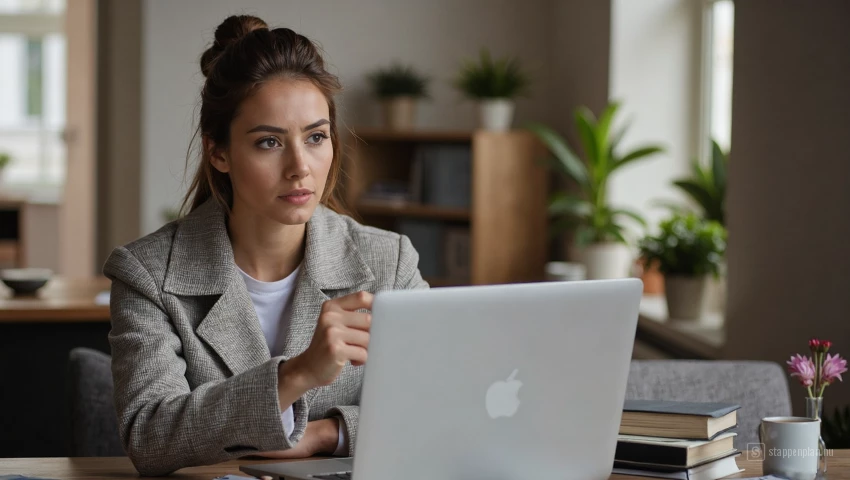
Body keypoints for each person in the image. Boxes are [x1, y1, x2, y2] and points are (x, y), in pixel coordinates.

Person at [103, 15, 428, 476]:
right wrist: (295, 376)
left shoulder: (387, 261)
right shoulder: (148, 272)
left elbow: (438, 401)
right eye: (269, 142)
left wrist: (324, 435)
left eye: (316, 137)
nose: (300, 167)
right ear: (219, 153)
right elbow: (151, 435)